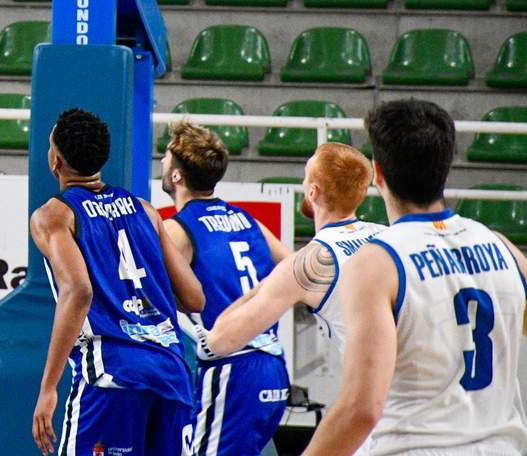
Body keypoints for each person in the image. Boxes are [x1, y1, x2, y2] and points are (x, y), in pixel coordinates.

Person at [301, 98, 527, 456]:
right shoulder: (502, 247)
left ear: (377, 173)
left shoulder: (377, 261)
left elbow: (361, 409)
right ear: (446, 166)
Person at [30, 108, 206, 456]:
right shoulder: (145, 210)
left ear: (56, 161)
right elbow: (194, 298)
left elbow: (78, 290)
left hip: (113, 376)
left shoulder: (54, 215)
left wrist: (49, 387)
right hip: (171, 374)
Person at [161, 121, 291, 456]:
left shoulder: (179, 229)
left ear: (177, 176)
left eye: (165, 158)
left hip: (232, 368)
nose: (161, 163)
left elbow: (148, 291)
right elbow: (296, 268)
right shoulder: (249, 221)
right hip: (273, 365)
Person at [205, 141, 384, 358]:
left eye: (305, 176)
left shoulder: (308, 263)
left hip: (379, 386)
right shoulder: (386, 235)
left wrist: (266, 285)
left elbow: (219, 341)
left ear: (312, 192)